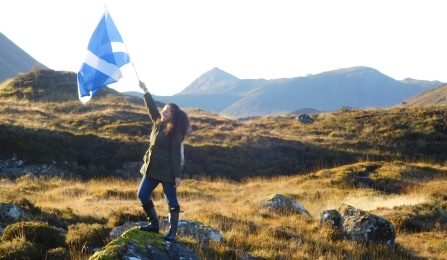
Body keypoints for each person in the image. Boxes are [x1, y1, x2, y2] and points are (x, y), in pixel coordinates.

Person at [137, 80, 190, 241]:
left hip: (167, 172)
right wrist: (145, 90)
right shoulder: (158, 123)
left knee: (172, 202)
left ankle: (173, 231)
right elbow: (151, 107)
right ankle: (154, 224)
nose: (162, 113)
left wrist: (177, 175)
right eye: (163, 110)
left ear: (172, 116)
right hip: (151, 168)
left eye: (166, 112)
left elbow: (175, 154)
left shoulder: (176, 131)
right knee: (142, 195)